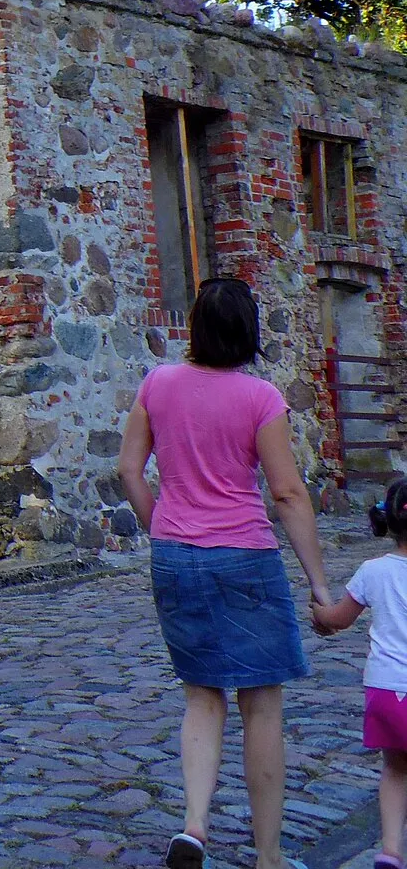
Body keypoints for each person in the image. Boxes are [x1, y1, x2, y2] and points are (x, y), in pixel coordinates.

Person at [120, 276, 331, 869]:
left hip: (175, 557)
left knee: (201, 696)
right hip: (243, 557)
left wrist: (161, 526)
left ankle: (193, 826)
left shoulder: (157, 384)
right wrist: (318, 584)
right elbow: (287, 493)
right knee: (261, 705)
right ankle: (268, 857)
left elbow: (130, 470)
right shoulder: (260, 399)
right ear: (248, 333)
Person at [310, 478, 407, 869]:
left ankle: (390, 850)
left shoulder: (372, 571)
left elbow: (338, 619)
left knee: (396, 769)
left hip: (385, 692)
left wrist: (319, 613)